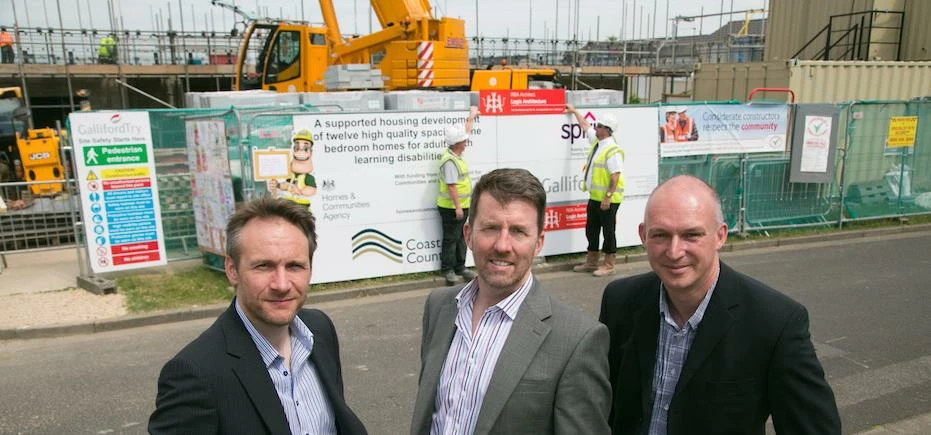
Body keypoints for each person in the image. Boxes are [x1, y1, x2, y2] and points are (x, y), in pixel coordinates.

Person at [599, 175, 841, 434]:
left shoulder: (775, 322)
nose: (674, 251)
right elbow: (604, 404)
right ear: (643, 235)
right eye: (660, 235)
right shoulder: (620, 300)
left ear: (720, 236)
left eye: (691, 235)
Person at [411, 168, 611, 435]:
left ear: (538, 242)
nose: (503, 245)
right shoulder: (439, 307)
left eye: (518, 231)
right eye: (491, 228)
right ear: (468, 234)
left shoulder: (577, 340)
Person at [149, 196, 367, 435]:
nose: (282, 284)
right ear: (232, 270)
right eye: (264, 266)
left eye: (295, 266)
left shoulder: (319, 329)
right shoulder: (195, 374)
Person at [565, 104, 625, 277]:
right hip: (595, 197)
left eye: (598, 125)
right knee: (591, 229)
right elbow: (585, 126)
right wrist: (575, 111)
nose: (595, 127)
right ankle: (592, 262)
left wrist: (607, 197)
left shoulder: (612, 149)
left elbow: (615, 176)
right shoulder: (598, 143)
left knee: (608, 232)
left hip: (608, 200)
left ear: (606, 130)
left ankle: (609, 264)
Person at [437, 105, 480, 285]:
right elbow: (451, 186)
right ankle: (448, 270)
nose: (466, 142)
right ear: (456, 143)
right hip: (451, 207)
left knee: (462, 236)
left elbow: (467, 131)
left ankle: (460, 267)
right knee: (451, 238)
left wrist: (471, 117)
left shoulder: (456, 154)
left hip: (461, 205)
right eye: (463, 140)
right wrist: (457, 207)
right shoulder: (449, 161)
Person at [268, 129, 317, 210]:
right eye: (297, 147)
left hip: (302, 206)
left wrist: (300, 191)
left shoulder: (308, 178)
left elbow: (312, 190)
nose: (300, 151)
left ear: (310, 153)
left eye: (305, 148)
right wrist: (277, 185)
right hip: (289, 205)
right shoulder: (291, 175)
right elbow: (286, 185)